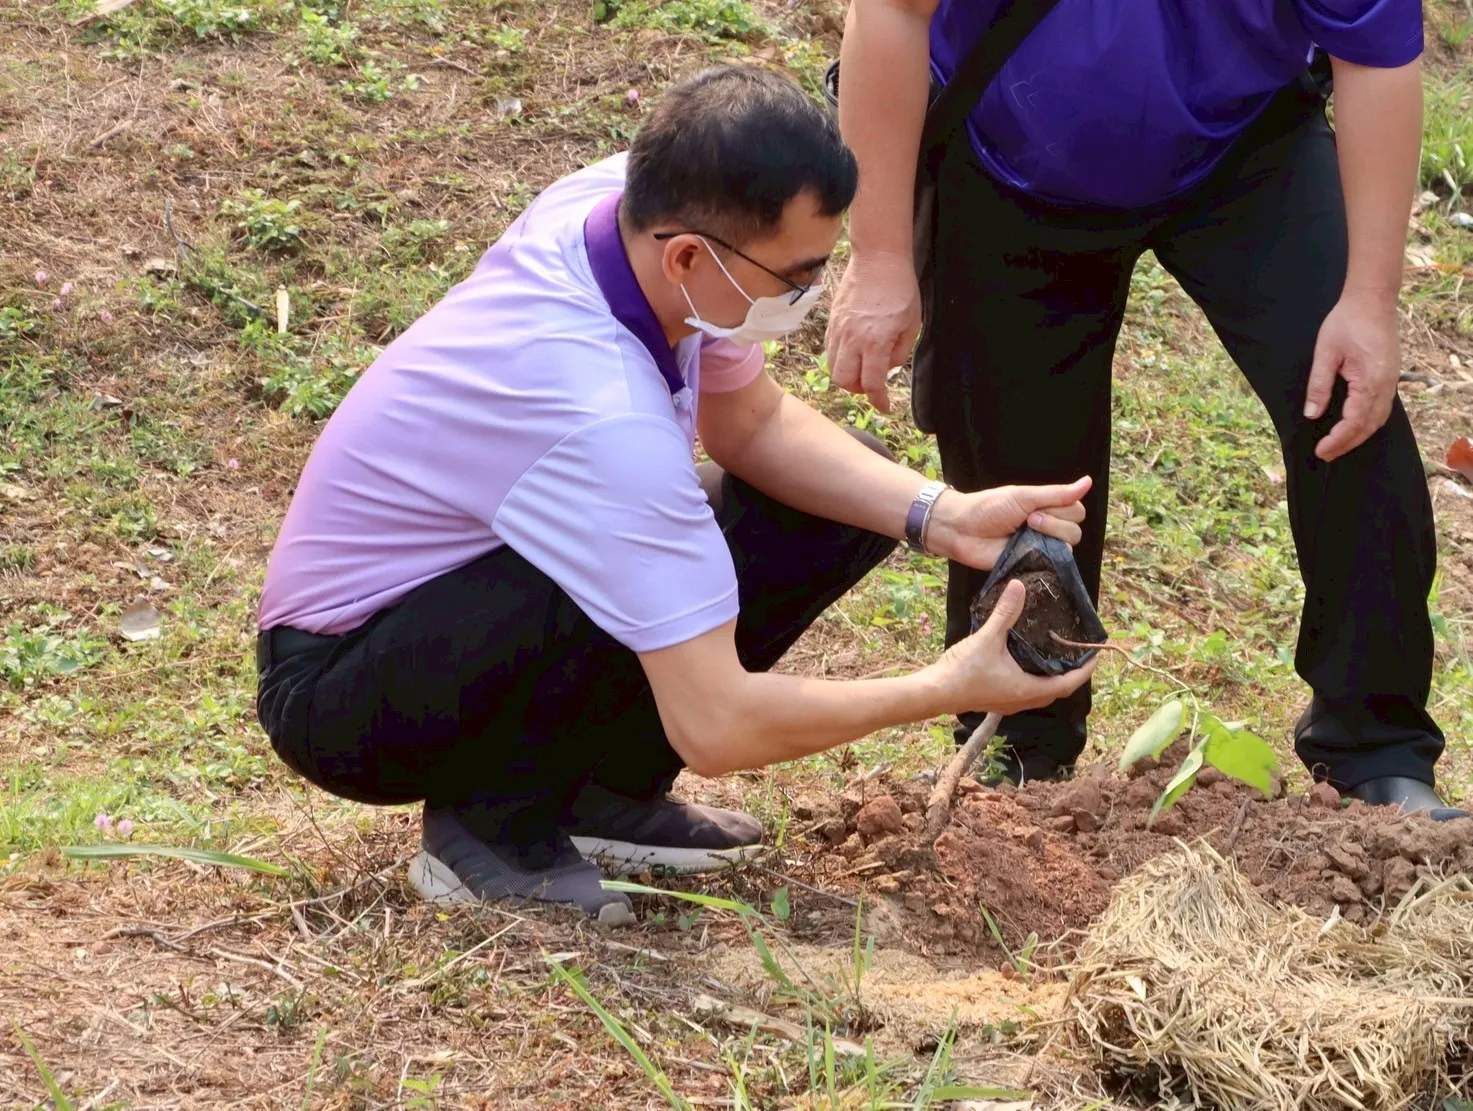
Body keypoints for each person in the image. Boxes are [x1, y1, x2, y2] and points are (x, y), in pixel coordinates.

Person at [255, 66, 1098, 923]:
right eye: (795, 275)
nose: (807, 295)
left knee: (830, 500)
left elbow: (753, 426)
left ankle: (600, 791)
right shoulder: (598, 413)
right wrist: (946, 682)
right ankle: (489, 822)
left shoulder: (629, 217)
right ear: (690, 255)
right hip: (345, 689)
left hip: (459, 588)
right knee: (630, 548)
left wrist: (940, 512)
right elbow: (719, 723)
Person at [827, 0, 1468, 821]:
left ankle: (1377, 749)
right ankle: (1023, 744)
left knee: (1346, 402)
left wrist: (1369, 300)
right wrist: (879, 257)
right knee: (1024, 473)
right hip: (1008, 152)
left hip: (1240, 142)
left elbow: (1378, 57)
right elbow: (889, 12)